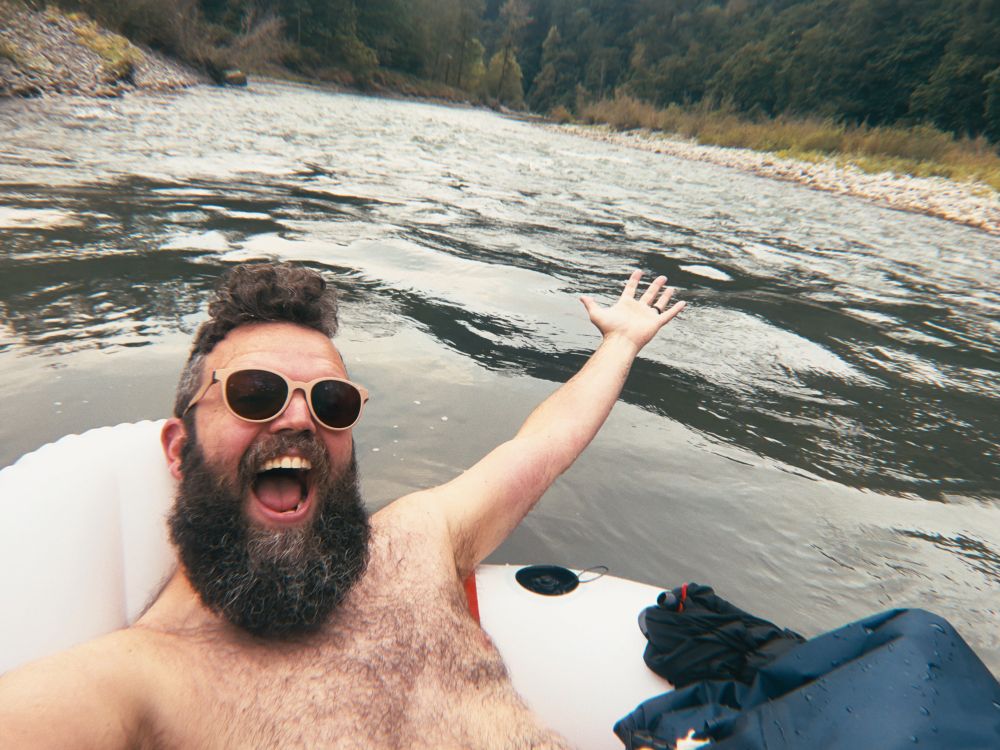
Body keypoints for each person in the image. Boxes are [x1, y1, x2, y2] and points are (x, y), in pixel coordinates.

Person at [0, 262, 685, 748]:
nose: (299, 420)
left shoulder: (421, 540)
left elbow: (545, 443)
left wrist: (620, 341)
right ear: (179, 449)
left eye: (330, 402)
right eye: (256, 393)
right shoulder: (135, 682)